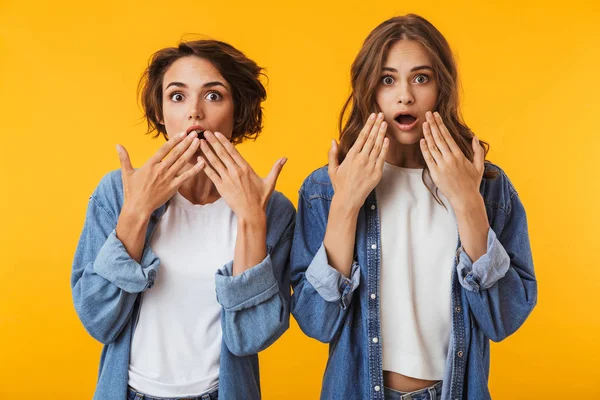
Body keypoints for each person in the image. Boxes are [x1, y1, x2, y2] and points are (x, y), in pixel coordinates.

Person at [290, 14, 537, 400]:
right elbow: (315, 322)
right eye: (388, 80)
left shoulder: (487, 186)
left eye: (421, 78)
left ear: (442, 88)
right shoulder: (325, 188)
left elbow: (504, 319)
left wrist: (468, 203)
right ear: (369, 89)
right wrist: (345, 206)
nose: (404, 95)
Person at [71, 39, 295, 400]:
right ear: (160, 112)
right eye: (177, 96)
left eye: (213, 96)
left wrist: (252, 220)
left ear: (237, 110)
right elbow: (98, 319)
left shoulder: (272, 209)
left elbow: (250, 338)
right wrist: (136, 212)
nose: (194, 112)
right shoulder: (118, 192)